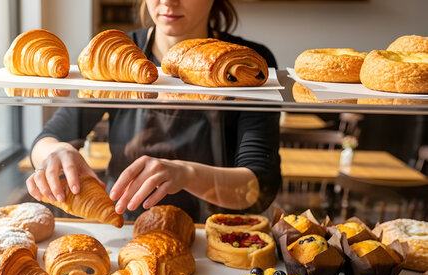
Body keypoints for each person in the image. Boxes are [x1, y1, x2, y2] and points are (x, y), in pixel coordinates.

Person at [26, 0, 281, 222]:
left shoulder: (245, 65)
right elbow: (46, 140)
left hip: (216, 233)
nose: (168, 1)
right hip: (129, 227)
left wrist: (185, 174)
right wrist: (56, 151)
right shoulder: (115, 53)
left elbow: (259, 186)